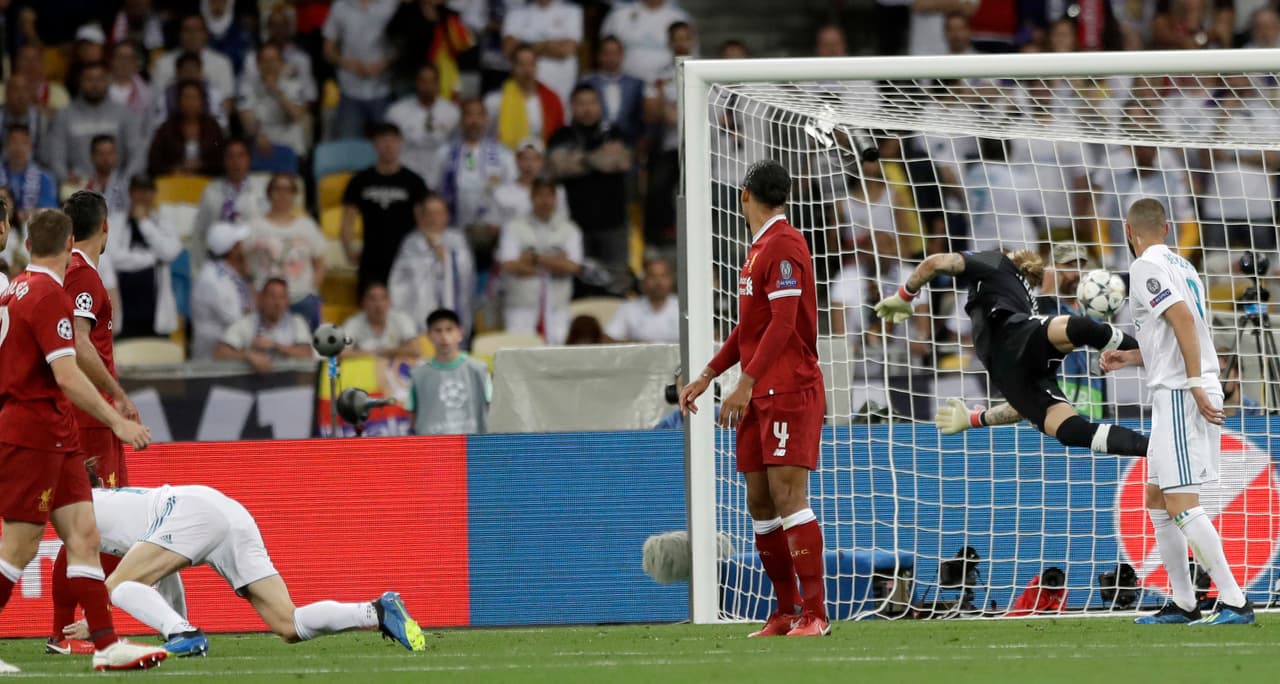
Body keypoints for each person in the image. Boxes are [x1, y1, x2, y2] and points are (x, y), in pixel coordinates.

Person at [0, 209, 167, 674]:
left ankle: (106, 644)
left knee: (85, 535)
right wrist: (117, 421)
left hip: (56, 433)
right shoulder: (49, 294)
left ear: (28, 242)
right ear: (69, 240)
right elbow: (68, 376)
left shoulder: (14, 288)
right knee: (19, 547)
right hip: (33, 431)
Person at [677, 160, 830, 637]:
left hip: (787, 389)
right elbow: (752, 327)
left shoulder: (783, 245)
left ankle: (816, 614)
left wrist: (743, 382)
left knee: (788, 497)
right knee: (760, 503)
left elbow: (784, 324)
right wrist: (708, 373)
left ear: (745, 194)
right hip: (760, 390)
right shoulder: (759, 248)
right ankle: (784, 613)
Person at [1100, 198, 1254, 626]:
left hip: (1181, 393)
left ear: (1129, 232)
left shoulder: (1144, 267)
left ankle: (1235, 601)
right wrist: (1131, 357)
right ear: (1167, 230)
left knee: (1182, 502)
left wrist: (1193, 385)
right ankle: (1184, 603)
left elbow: (1185, 322)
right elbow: (1176, 335)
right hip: (1179, 385)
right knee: (1156, 499)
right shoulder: (1185, 269)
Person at [64, 484, 426, 654]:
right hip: (227, 512)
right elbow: (165, 575)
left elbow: (118, 582)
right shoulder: (99, 507)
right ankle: (376, 611)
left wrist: (96, 622)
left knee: (118, 586)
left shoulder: (82, 505)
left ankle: (184, 635)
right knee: (289, 625)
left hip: (192, 510)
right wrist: (175, 624)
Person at [875, 248, 1151, 457]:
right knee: (1071, 430)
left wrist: (904, 296)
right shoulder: (1025, 299)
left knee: (1078, 329)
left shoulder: (996, 262)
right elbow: (1021, 409)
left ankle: (1149, 355)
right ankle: (1153, 449)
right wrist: (974, 419)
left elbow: (935, 263)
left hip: (1007, 347)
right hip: (1017, 366)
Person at [45, 191, 139, 655]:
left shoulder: (68, 272)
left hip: (76, 413)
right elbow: (80, 343)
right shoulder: (83, 276)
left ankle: (64, 631)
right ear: (105, 225)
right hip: (92, 417)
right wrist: (116, 397)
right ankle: (82, 631)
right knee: (99, 528)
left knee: (86, 525)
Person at [547, 85, 631, 272]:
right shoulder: (562, 135)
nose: (587, 108)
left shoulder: (613, 132)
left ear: (599, 105)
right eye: (581, 103)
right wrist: (598, 158)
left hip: (613, 224)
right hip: (575, 226)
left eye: (592, 103)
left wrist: (579, 159)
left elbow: (622, 161)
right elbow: (557, 166)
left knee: (615, 283)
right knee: (580, 286)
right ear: (572, 107)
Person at [341, 122, 430, 294]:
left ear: (400, 142)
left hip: (405, 257)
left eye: (392, 140)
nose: (388, 146)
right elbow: (347, 221)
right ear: (374, 144)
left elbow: (423, 223)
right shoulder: (360, 180)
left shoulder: (414, 181)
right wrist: (349, 250)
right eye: (382, 141)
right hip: (371, 258)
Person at [497, 177, 583, 345]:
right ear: (531, 197)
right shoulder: (514, 227)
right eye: (540, 196)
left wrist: (535, 258)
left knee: (557, 355)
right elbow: (508, 264)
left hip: (557, 306)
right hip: (521, 304)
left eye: (549, 196)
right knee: (520, 354)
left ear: (556, 199)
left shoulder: (569, 229)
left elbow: (573, 267)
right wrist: (556, 262)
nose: (545, 201)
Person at [435, 99, 516, 272]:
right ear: (462, 120)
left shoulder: (503, 155)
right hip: (454, 229)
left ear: (486, 119)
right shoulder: (445, 153)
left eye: (479, 115)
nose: (474, 121)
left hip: (492, 234)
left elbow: (512, 194)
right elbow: (436, 192)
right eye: (469, 115)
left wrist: (500, 225)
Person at [388, 194, 476, 340]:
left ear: (447, 215)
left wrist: (446, 258)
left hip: (452, 311)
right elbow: (400, 278)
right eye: (430, 213)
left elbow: (466, 271)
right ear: (422, 217)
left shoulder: (457, 239)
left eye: (439, 213)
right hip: (420, 314)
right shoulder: (412, 242)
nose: (435, 218)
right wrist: (432, 254)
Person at [106, 176, 182, 339]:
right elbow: (114, 257)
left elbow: (170, 252)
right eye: (138, 191)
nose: (142, 196)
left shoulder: (164, 223)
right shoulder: (115, 221)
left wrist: (144, 222)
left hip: (155, 309)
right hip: (125, 307)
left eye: (147, 191)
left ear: (154, 194)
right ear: (131, 193)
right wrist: (152, 259)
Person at [246, 174, 326, 328]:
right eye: (278, 189)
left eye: (288, 190)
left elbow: (320, 262)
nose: (283, 194)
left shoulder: (307, 226)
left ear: (294, 195)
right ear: (269, 193)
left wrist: (312, 290)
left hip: (301, 298)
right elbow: (242, 259)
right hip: (265, 301)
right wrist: (252, 291)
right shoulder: (254, 225)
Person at [1037, 242, 1106, 419]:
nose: (1077, 274)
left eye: (1081, 265)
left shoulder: (1095, 313)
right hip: (1053, 410)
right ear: (1051, 271)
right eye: (1069, 266)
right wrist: (1046, 291)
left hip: (1092, 409)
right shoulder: (1041, 309)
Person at [45, 62, 142, 185]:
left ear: (108, 81)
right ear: (80, 82)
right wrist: (65, 178)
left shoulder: (125, 113)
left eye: (99, 79)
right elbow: (55, 156)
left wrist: (126, 179)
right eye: (89, 79)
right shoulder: (64, 115)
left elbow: (137, 154)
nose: (95, 84)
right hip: (77, 187)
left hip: (118, 185)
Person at [322, 0, 399, 139]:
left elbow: (405, 44)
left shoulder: (392, 4)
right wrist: (349, 64)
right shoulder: (341, 5)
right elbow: (328, 50)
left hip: (383, 89)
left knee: (386, 147)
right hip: (350, 91)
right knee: (349, 151)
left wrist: (385, 64)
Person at [407, 308, 491, 435]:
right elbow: (412, 414)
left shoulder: (479, 370)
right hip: (433, 450)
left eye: (449, 329)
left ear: (460, 333)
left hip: (474, 448)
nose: (444, 336)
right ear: (429, 335)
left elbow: (492, 406)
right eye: (438, 330)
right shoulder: (418, 375)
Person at [191, 139, 266, 276]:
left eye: (240, 156)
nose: (236, 162)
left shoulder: (261, 190)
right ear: (224, 161)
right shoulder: (211, 191)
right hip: (216, 263)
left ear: (248, 159)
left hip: (252, 263)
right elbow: (199, 232)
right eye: (230, 156)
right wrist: (199, 269)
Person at [214, 278, 314, 373]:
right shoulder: (246, 323)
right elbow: (220, 353)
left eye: (282, 297)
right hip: (253, 384)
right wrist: (248, 355)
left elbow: (306, 354)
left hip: (289, 382)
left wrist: (276, 346)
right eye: (272, 297)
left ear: (287, 302)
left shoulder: (297, 322)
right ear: (261, 299)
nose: (277, 303)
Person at [385, 64, 462, 186]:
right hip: (406, 175)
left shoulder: (452, 112)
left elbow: (460, 147)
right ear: (416, 82)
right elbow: (388, 146)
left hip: (441, 176)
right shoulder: (397, 111)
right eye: (423, 81)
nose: (427, 86)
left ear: (438, 83)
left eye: (432, 81)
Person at [190, 222, 255, 360]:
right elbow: (237, 319)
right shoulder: (212, 280)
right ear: (232, 250)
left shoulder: (229, 272)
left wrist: (248, 277)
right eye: (239, 244)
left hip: (231, 352)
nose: (243, 248)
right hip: (212, 361)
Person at [484, 44, 565, 149]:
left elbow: (559, 137)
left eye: (531, 64)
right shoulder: (495, 100)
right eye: (522, 65)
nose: (527, 70)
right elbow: (486, 136)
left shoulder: (552, 100)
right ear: (513, 67)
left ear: (537, 66)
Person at [501, 0, 583, 104]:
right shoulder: (516, 12)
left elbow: (567, 50)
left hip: (561, 85)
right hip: (524, 86)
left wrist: (525, 44)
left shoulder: (571, 11)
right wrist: (549, 44)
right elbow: (508, 50)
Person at [237, 44, 309, 158]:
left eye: (273, 60)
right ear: (258, 64)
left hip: (291, 149)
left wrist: (276, 91)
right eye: (265, 60)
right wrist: (256, 135)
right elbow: (247, 126)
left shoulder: (293, 84)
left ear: (281, 63)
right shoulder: (247, 87)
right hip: (262, 148)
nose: (269, 65)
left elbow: (297, 116)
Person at [146, 81, 227, 178]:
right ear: (179, 102)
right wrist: (173, 169)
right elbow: (154, 162)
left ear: (202, 102)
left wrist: (201, 166)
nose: (190, 103)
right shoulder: (167, 128)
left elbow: (221, 158)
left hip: (208, 182)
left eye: (194, 98)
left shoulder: (213, 128)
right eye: (186, 97)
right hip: (174, 182)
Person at [600, 0, 691, 84]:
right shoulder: (618, 15)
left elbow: (690, 53)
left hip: (665, 86)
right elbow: (604, 50)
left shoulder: (680, 17)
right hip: (624, 87)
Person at [578, 36, 646, 144]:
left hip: (629, 142)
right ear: (598, 56)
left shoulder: (636, 84)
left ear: (622, 55)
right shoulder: (586, 82)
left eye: (615, 53)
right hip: (593, 141)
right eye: (606, 53)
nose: (611, 58)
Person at [151, 14, 236, 100]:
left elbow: (227, 101)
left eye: (198, 30)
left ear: (206, 34)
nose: (193, 35)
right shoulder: (163, 63)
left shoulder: (222, 62)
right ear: (179, 34)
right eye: (187, 30)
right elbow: (156, 100)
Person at [605, 258, 678, 343]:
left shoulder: (683, 307)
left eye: (663, 276)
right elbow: (608, 338)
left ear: (671, 280)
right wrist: (639, 345)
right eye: (652, 276)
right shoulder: (629, 308)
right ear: (644, 280)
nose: (658, 282)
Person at [342, 282, 422, 358]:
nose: (378, 304)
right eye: (372, 299)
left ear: (390, 302)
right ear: (363, 303)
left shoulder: (402, 319)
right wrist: (377, 353)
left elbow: (416, 350)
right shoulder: (353, 323)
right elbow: (341, 353)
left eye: (383, 298)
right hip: (363, 368)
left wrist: (385, 352)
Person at [1, 124, 58, 219]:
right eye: (14, 141)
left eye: (24, 142)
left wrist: (28, 214)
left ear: (30, 146)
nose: (18, 147)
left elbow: (50, 212)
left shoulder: (44, 178)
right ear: (6, 145)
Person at [105, 40, 153, 126]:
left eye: (129, 58)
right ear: (112, 60)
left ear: (135, 62)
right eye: (120, 57)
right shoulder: (101, 87)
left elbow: (149, 125)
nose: (124, 62)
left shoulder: (147, 92)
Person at [81, 135, 129, 215]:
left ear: (116, 155)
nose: (106, 159)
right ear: (92, 156)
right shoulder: (83, 184)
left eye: (110, 153)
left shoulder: (127, 184)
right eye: (101, 154)